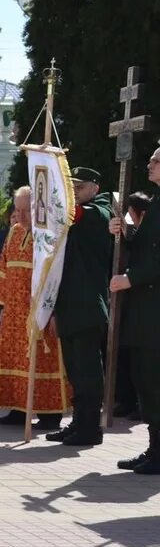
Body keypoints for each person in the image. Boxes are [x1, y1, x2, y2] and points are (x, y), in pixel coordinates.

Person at [0, 187, 69, 430]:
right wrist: (2, 304)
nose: (20, 215)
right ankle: (18, 407)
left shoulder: (49, 235)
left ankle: (49, 413)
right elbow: (3, 268)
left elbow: (56, 275)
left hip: (39, 309)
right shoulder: (14, 232)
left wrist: (53, 310)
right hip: (13, 310)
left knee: (42, 359)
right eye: (17, 209)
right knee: (13, 358)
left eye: (26, 210)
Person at [47, 167, 114, 446]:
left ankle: (90, 428)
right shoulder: (75, 213)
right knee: (74, 370)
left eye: (79, 186)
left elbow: (81, 214)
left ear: (95, 188)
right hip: (68, 303)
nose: (74, 191)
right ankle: (77, 422)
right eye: (70, 186)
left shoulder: (101, 209)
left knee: (87, 371)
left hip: (88, 304)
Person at [109, 147, 160, 473]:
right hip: (145, 310)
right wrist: (124, 235)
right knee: (145, 382)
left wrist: (130, 278)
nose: (150, 164)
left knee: (154, 382)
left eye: (156, 160)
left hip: (154, 308)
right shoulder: (155, 203)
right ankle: (155, 448)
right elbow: (145, 247)